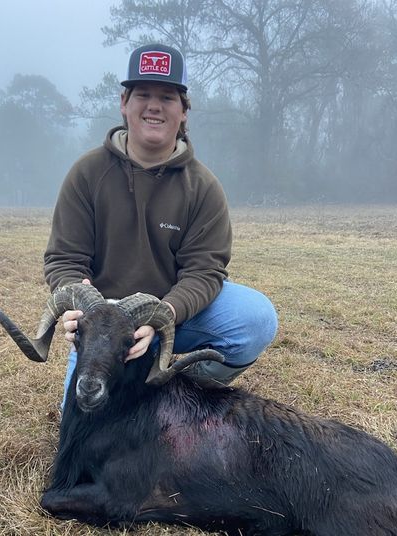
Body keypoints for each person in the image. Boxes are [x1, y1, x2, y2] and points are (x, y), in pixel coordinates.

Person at [44, 43, 278, 400]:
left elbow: (205, 271)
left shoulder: (203, 187)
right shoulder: (87, 174)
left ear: (184, 111)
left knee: (257, 317)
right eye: (143, 94)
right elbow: (64, 259)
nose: (154, 105)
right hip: (105, 327)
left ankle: (182, 385)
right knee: (82, 428)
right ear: (124, 103)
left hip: (170, 315)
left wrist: (164, 316)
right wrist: (78, 307)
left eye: (168, 97)